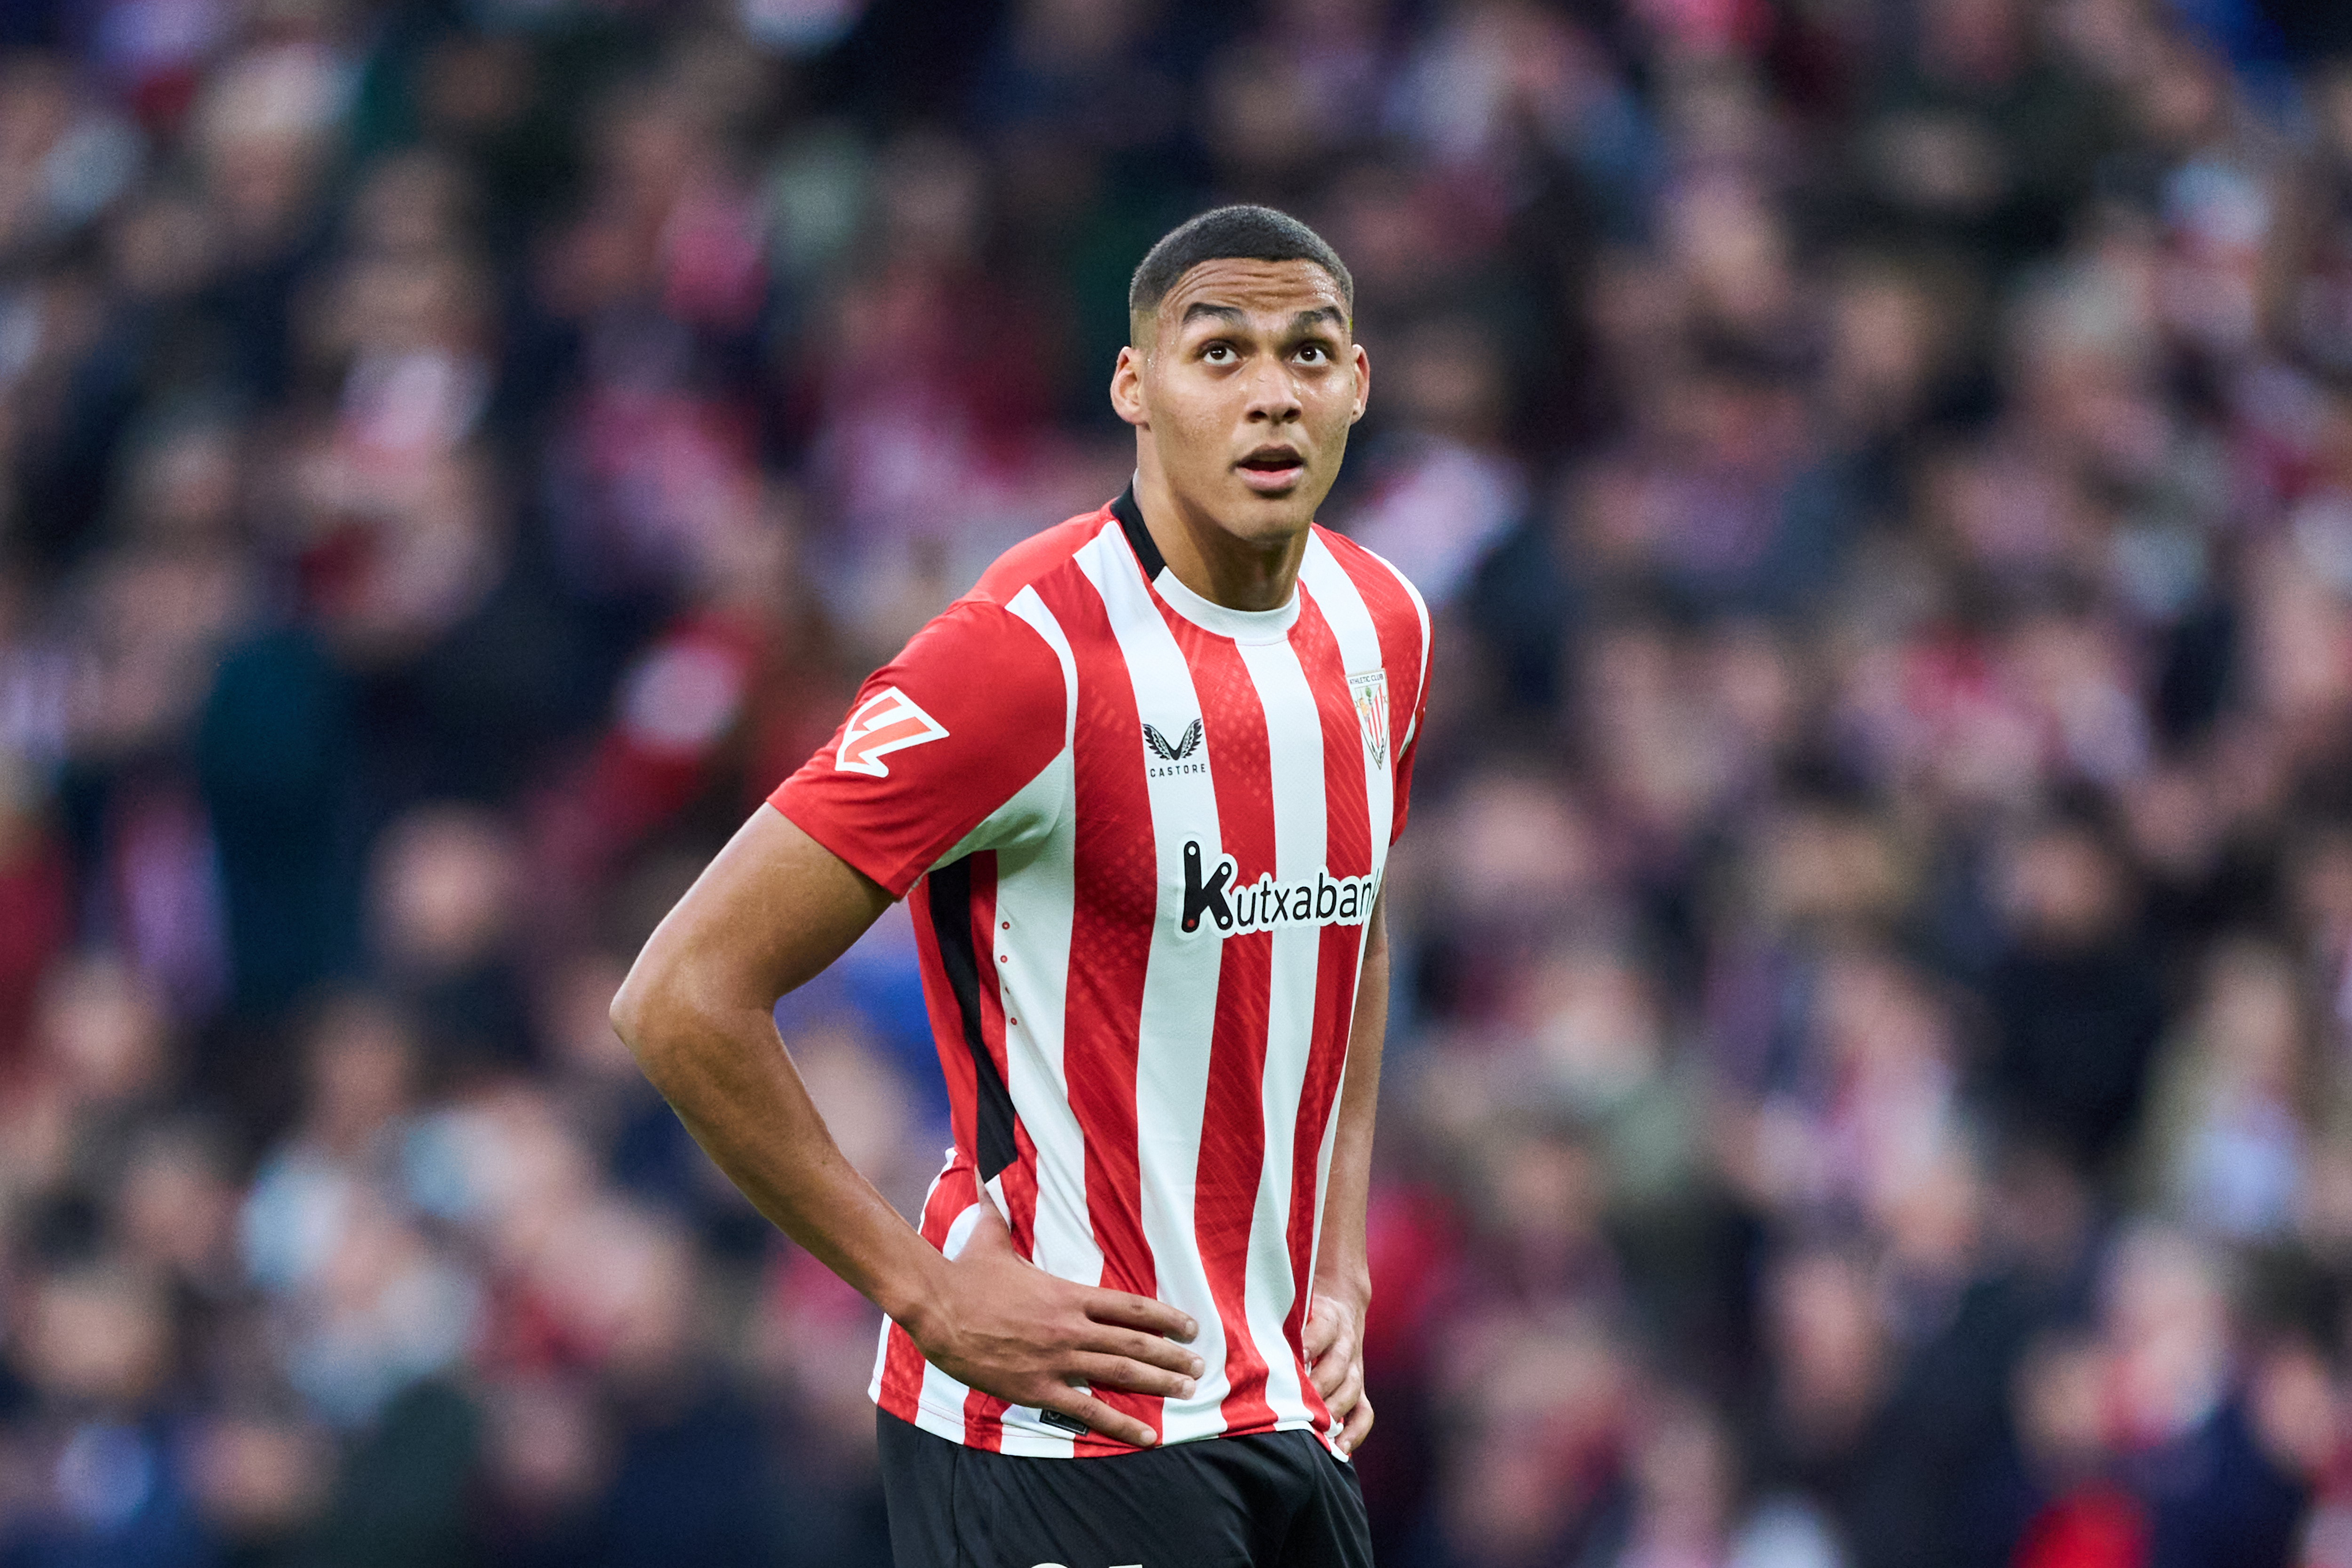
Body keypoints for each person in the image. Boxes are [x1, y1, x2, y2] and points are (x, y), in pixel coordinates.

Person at [611, 204, 1430, 1567]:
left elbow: (1351, 922)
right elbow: (680, 995)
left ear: (1356, 383)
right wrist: (924, 1292)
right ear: (1134, 388)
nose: (1269, 393)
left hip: (1279, 1406)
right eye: (1217, 353)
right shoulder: (1023, 657)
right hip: (1055, 1430)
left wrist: (1334, 1256)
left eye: (1306, 352)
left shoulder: (1380, 625)